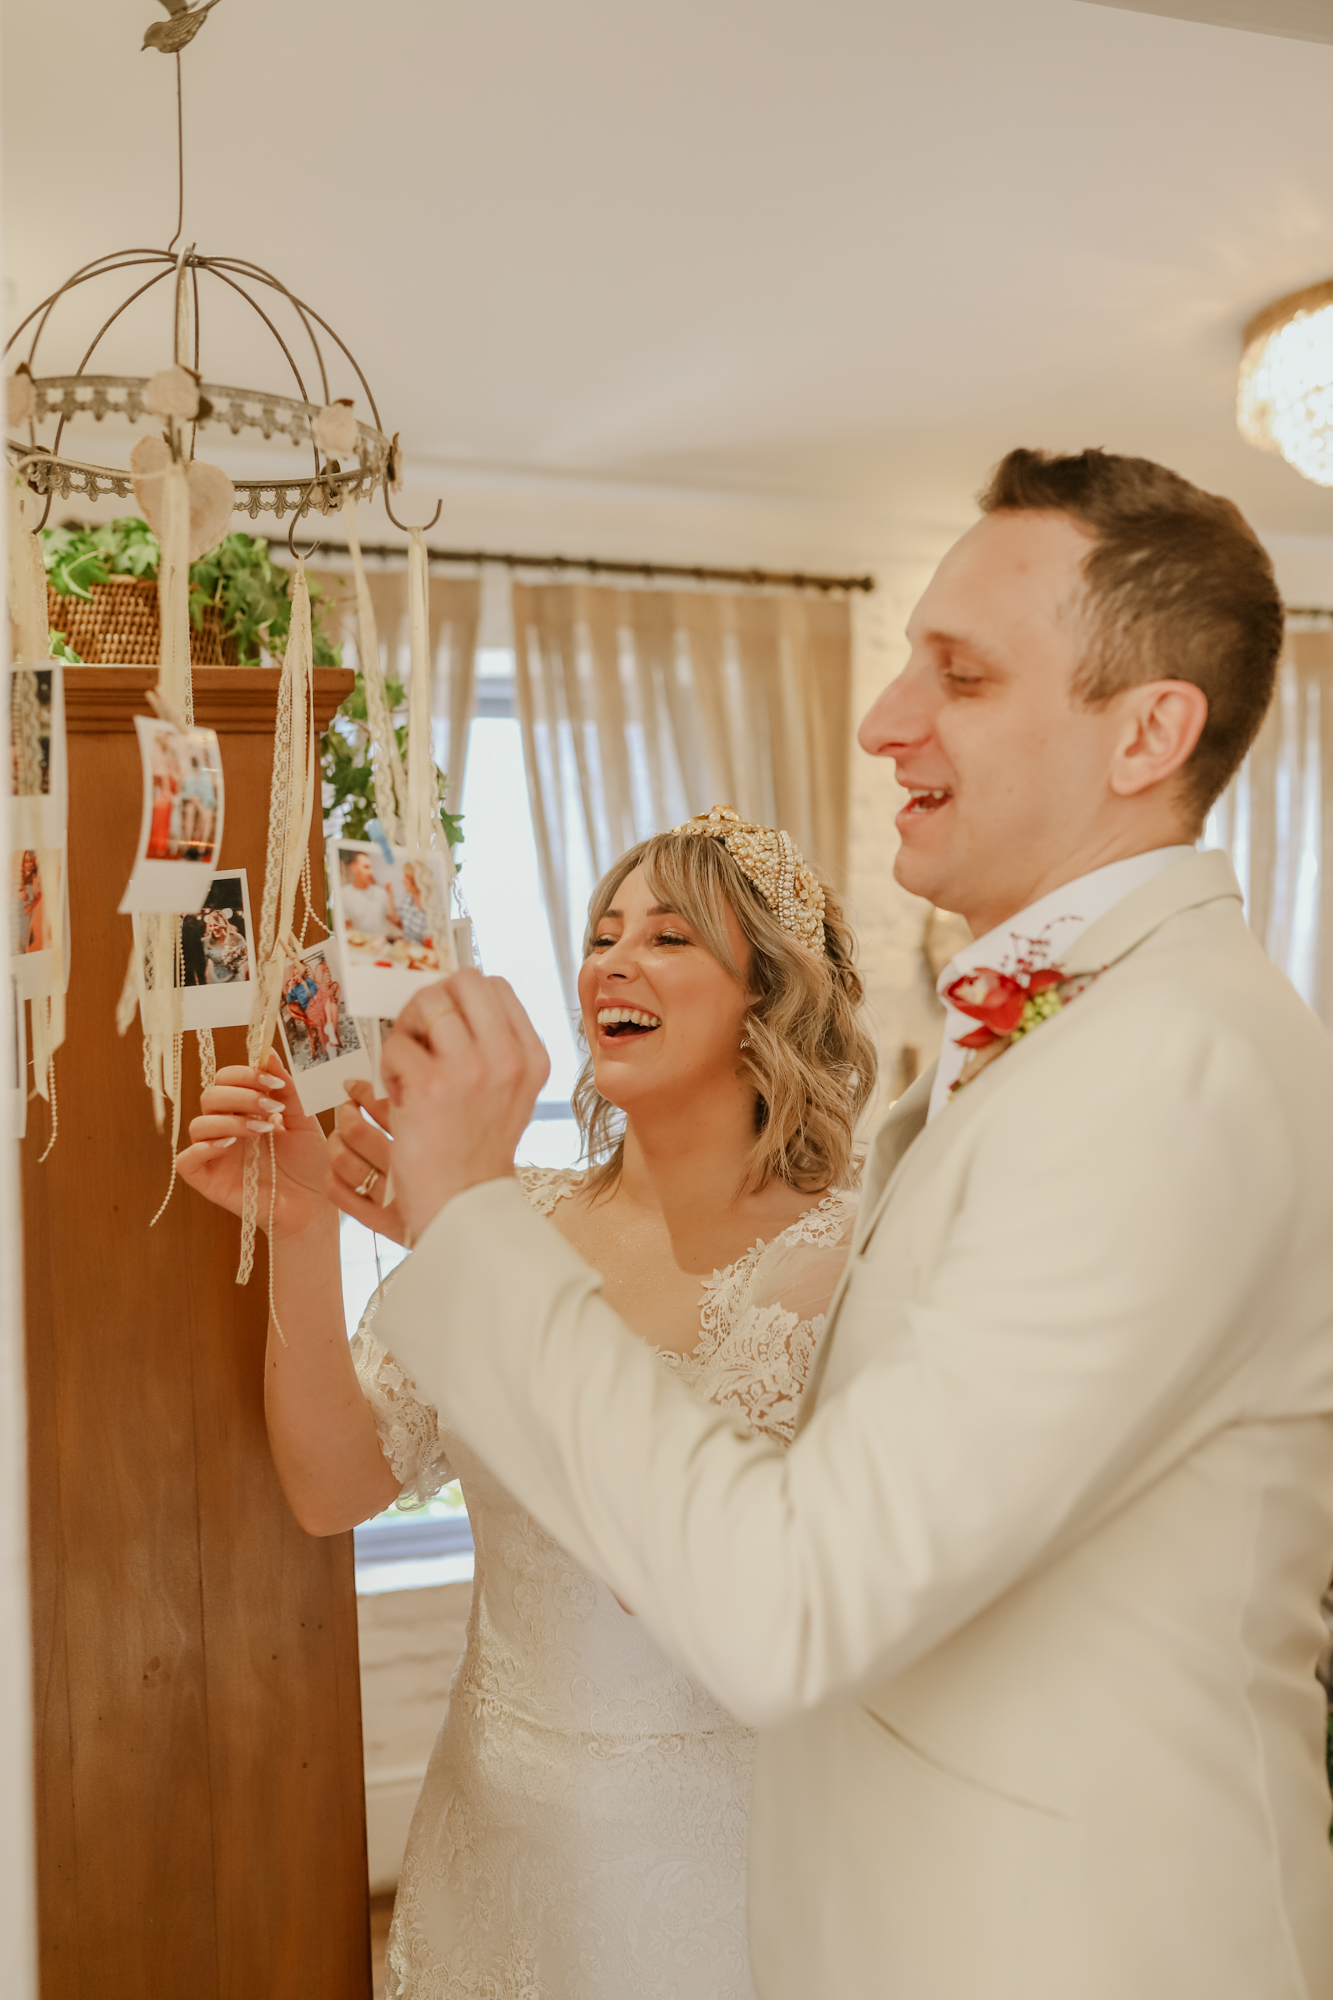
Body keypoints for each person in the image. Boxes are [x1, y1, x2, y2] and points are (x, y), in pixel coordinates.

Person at [366, 449, 1333, 2000]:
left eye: (960, 674)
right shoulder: (1067, 1035)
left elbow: (793, 1605)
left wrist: (472, 1214)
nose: (884, 719)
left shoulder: (1168, 1067)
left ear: (1148, 732)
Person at [175, 818, 876, 1999]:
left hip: (717, 1859)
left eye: (668, 936)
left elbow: (683, 1569)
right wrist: (298, 1222)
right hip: (488, 1833)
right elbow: (333, 1485)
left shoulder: (839, 1253)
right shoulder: (518, 1216)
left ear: (769, 989)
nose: (613, 961)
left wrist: (469, 1238)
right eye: (602, 934)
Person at [340, 849, 399, 945]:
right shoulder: (344, 894)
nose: (371, 872)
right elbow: (345, 927)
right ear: (354, 867)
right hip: (359, 945)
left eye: (371, 867)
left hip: (382, 945)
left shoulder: (381, 892)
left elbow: (393, 919)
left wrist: (390, 896)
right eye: (366, 867)